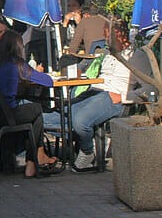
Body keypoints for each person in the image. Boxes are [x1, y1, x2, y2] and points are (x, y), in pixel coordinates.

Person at [46, 20, 133, 171]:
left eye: (108, 35)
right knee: (54, 116)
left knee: (80, 122)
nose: (106, 39)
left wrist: (124, 97)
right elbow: (86, 70)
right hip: (93, 90)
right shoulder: (106, 53)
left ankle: (87, 151)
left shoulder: (136, 55)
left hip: (111, 96)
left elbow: (149, 88)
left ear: (119, 34)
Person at [0, 30, 60, 178]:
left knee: (27, 107)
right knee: (36, 109)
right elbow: (48, 82)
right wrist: (36, 72)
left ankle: (35, 157)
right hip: (6, 115)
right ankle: (33, 159)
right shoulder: (16, 64)